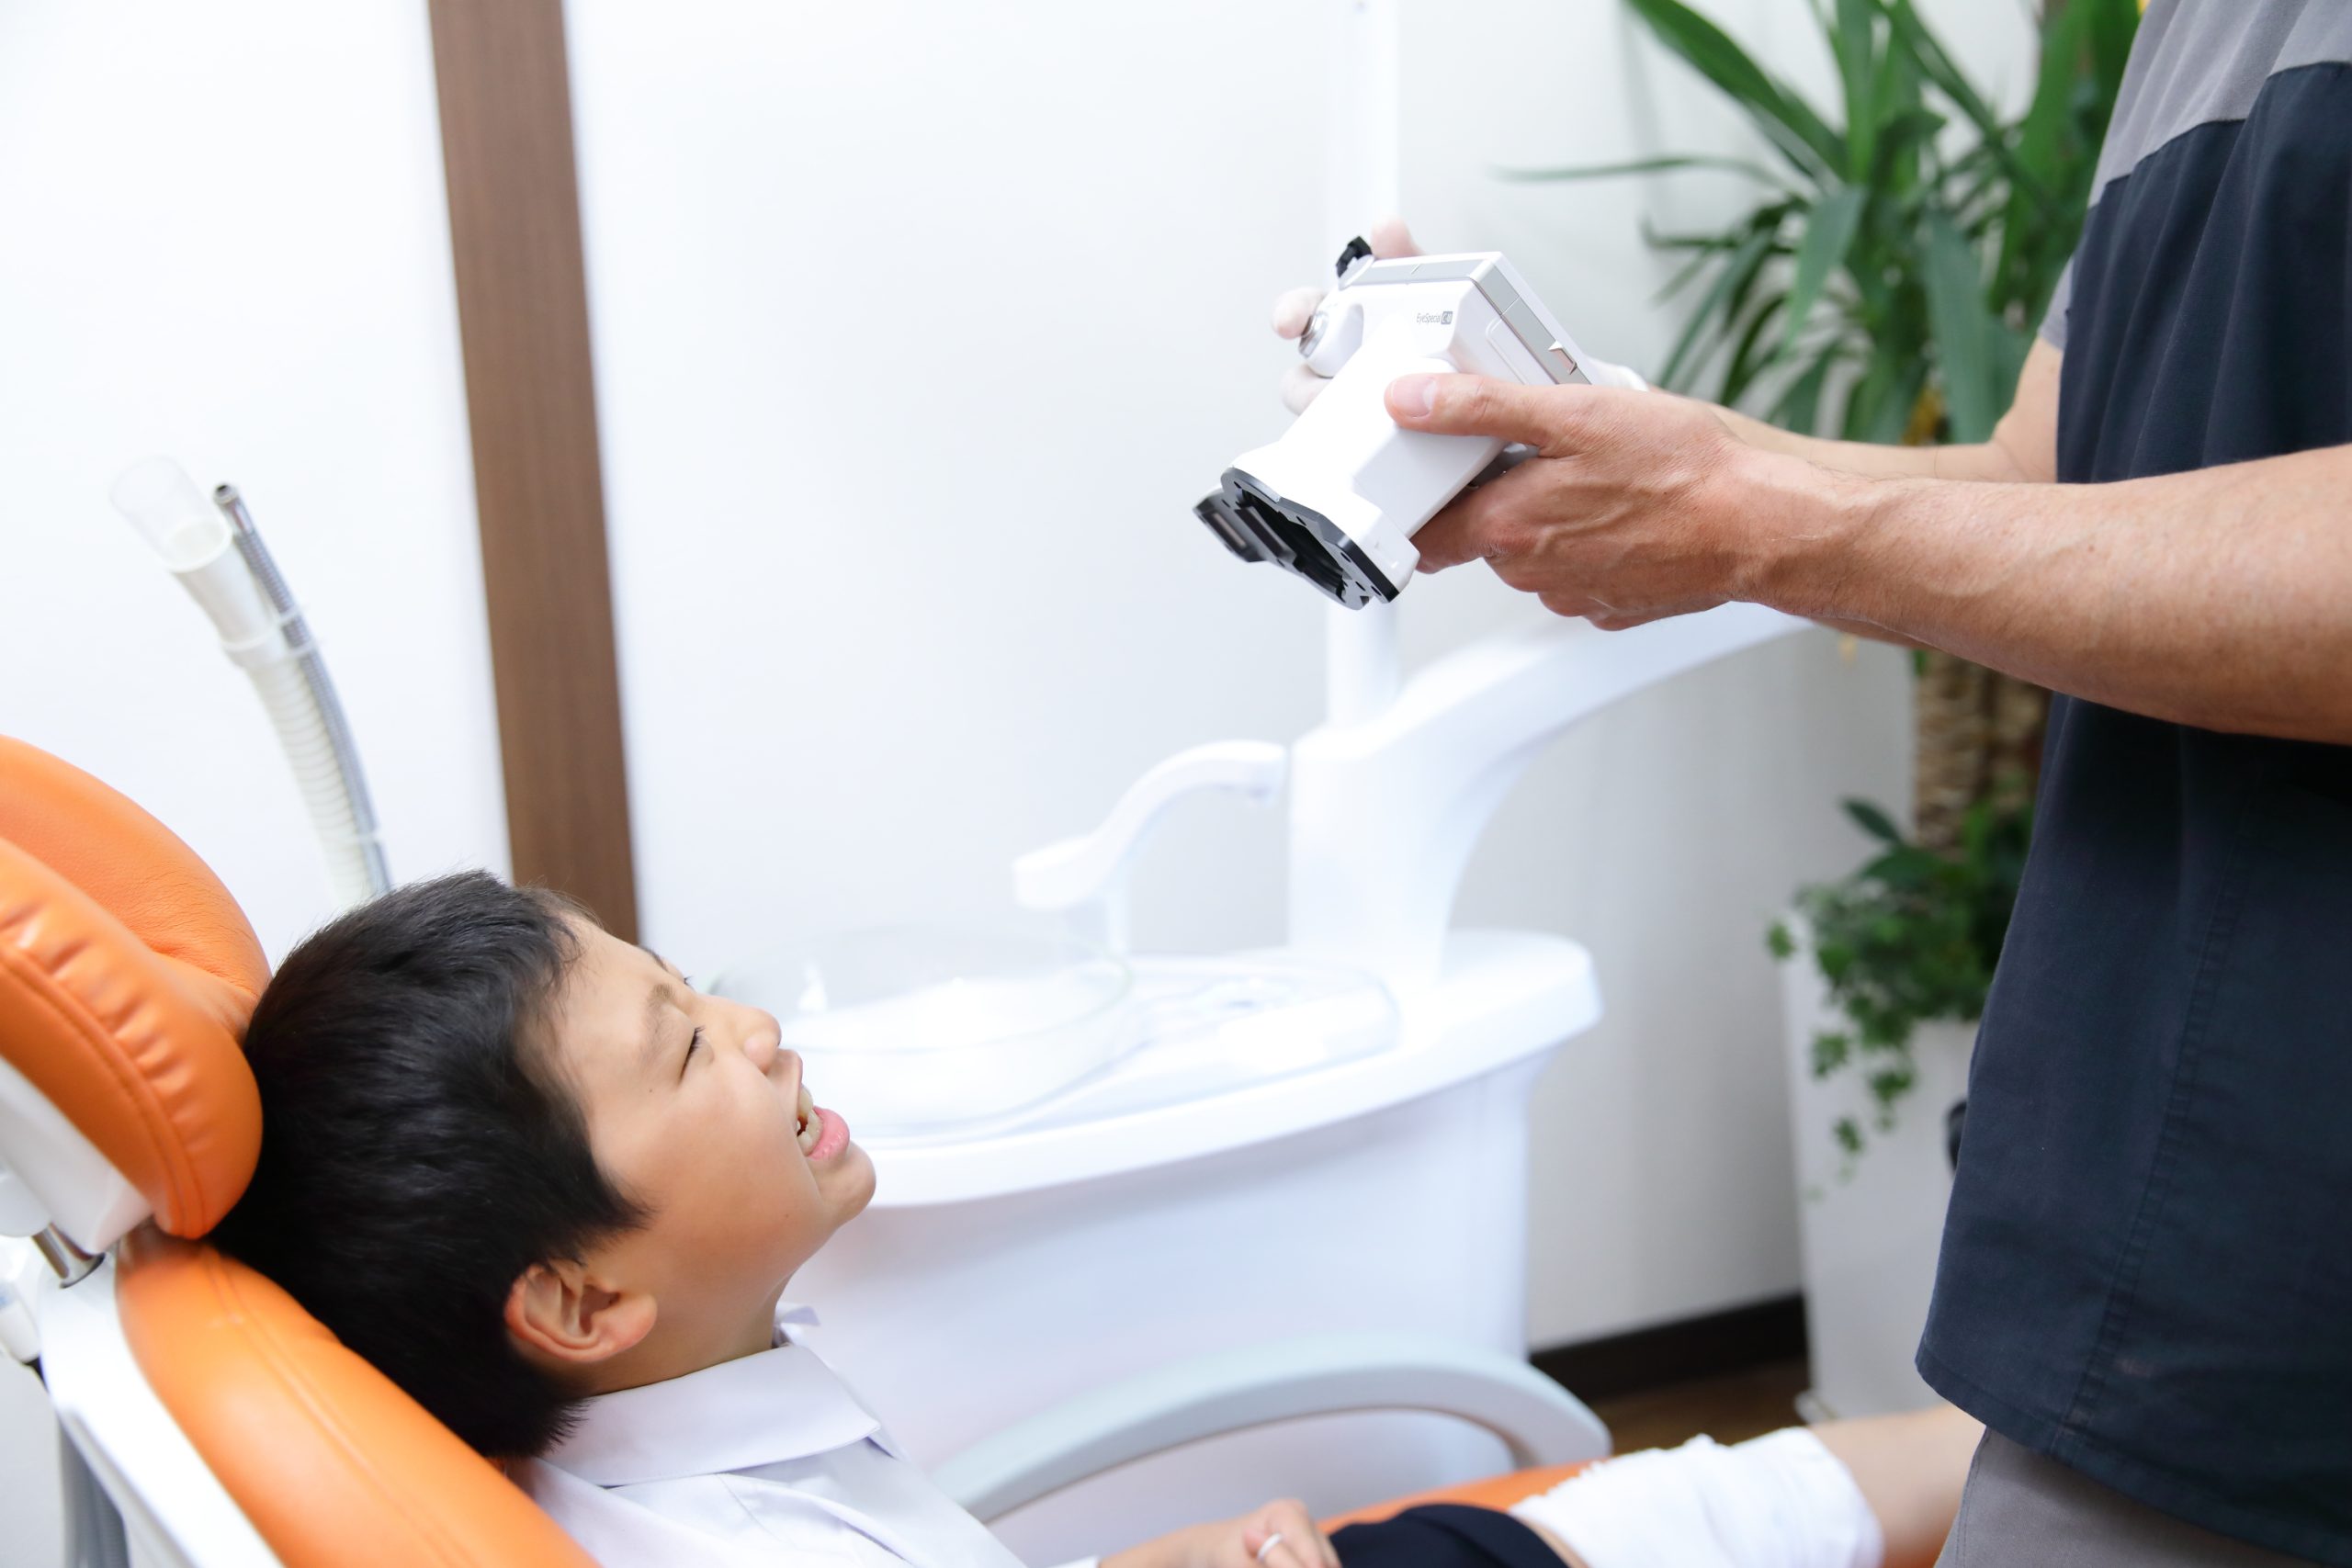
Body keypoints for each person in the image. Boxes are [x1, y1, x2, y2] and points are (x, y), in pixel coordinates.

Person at [1269, 6, 2352, 1566]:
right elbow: (2045, 484)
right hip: (2143, 1225)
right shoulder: (2193, 31)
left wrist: (1750, 523)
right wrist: (1623, 447)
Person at [213, 871, 1975, 1568]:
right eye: (682, 1046)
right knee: (1698, 1515)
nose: (753, 1028)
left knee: (1714, 1508)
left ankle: (2013, 1470)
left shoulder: (673, 1430)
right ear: (580, 1300)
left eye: (690, 983)